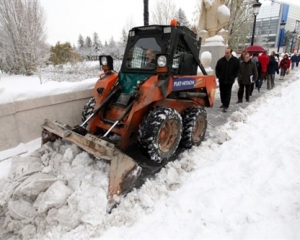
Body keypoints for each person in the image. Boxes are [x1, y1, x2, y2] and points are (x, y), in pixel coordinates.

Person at [215, 48, 240, 112]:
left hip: (229, 80)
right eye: (225, 53)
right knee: (222, 92)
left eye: (227, 53)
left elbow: (237, 70)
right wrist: (219, 76)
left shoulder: (235, 61)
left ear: (231, 53)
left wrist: (233, 76)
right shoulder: (221, 60)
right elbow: (217, 69)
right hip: (222, 79)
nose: (226, 54)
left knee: (228, 93)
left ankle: (226, 105)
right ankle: (223, 103)